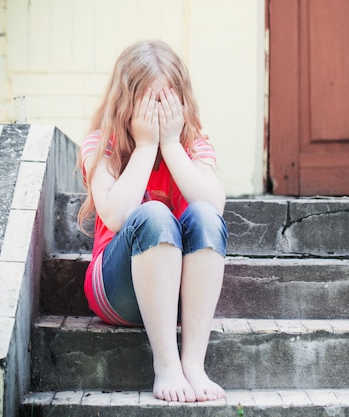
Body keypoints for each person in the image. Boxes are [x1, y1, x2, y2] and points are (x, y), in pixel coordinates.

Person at [77, 40, 228, 403]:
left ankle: (192, 362)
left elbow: (214, 208)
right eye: (148, 102)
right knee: (154, 215)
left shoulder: (194, 146)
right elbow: (115, 215)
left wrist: (172, 146)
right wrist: (145, 147)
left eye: (166, 101)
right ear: (125, 102)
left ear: (182, 101)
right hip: (116, 292)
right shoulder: (103, 146)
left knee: (204, 214)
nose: (157, 113)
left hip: (178, 296)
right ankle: (167, 364)